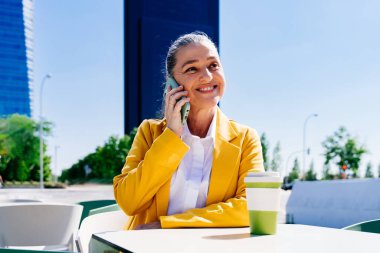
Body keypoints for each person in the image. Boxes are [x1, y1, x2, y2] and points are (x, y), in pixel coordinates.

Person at [113, 31, 264, 230]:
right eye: (192, 69)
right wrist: (171, 136)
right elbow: (128, 202)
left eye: (213, 65)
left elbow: (252, 207)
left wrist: (169, 224)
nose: (208, 76)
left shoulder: (245, 139)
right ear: (172, 84)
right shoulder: (149, 132)